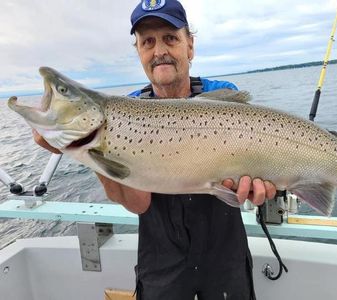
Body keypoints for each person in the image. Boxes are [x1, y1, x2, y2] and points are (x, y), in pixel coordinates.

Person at [34, 0, 276, 299]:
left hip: (226, 255)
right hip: (161, 260)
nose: (159, 50)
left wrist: (259, 183)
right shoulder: (125, 111)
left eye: (170, 38)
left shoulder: (222, 97)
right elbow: (137, 204)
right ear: (138, 52)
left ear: (190, 45)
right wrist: (91, 152)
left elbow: (255, 165)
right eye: (148, 41)